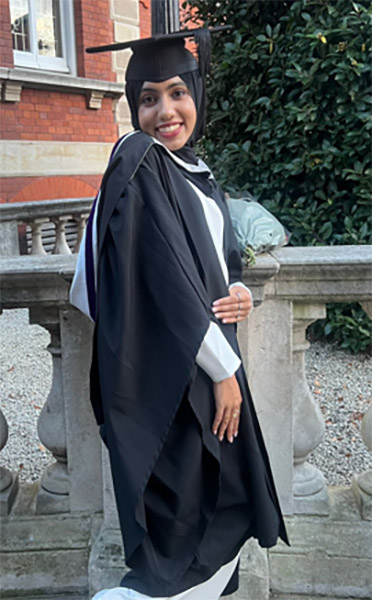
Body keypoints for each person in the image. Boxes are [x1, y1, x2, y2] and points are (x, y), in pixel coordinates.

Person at [70, 27, 288, 600]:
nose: (164, 111)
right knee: (190, 511)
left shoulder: (192, 172)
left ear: (197, 94)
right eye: (147, 97)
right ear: (131, 105)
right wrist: (223, 372)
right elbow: (164, 280)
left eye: (176, 93)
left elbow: (215, 262)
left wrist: (240, 291)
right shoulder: (140, 161)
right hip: (176, 370)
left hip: (204, 360)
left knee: (221, 499)